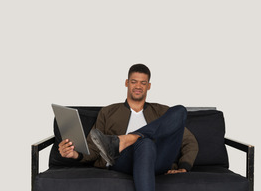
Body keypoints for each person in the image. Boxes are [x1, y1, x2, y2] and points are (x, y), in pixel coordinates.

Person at [58, 64, 198, 191]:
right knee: (145, 143)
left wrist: (184, 167)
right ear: (126, 83)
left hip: (158, 160)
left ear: (149, 86)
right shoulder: (108, 112)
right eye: (134, 82)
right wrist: (75, 154)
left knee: (180, 110)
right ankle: (129, 141)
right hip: (123, 161)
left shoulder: (161, 112)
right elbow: (95, 147)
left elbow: (189, 142)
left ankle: (125, 140)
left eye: (143, 83)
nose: (138, 86)